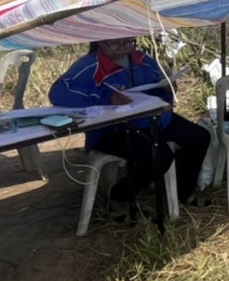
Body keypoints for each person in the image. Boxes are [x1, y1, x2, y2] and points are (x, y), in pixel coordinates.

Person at [49, 36, 211, 211]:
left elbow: (156, 90)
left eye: (128, 42)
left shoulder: (142, 60)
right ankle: (118, 196)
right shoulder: (89, 65)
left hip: (152, 120)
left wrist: (166, 91)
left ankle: (181, 194)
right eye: (115, 42)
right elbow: (58, 93)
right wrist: (107, 98)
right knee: (159, 155)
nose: (123, 46)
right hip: (111, 130)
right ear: (100, 41)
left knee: (199, 137)